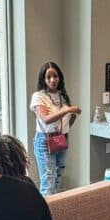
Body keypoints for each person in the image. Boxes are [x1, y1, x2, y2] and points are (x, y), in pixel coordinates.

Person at [31, 61, 82, 196]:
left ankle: (56, 212)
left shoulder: (62, 96)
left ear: (60, 77)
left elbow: (66, 123)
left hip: (61, 138)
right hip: (45, 140)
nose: (53, 80)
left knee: (58, 178)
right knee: (48, 181)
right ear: (44, 79)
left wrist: (74, 115)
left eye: (55, 76)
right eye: (49, 77)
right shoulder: (39, 96)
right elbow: (46, 119)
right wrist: (67, 110)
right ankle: (46, 215)